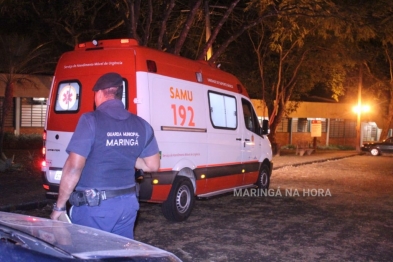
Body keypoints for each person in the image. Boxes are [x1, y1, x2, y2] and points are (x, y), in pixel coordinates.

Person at [50, 72, 160, 239]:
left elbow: (73, 168)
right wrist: (126, 153)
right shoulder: (142, 124)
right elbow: (153, 165)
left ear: (100, 93)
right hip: (128, 206)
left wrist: (59, 207)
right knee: (119, 255)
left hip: (95, 209)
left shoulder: (90, 120)